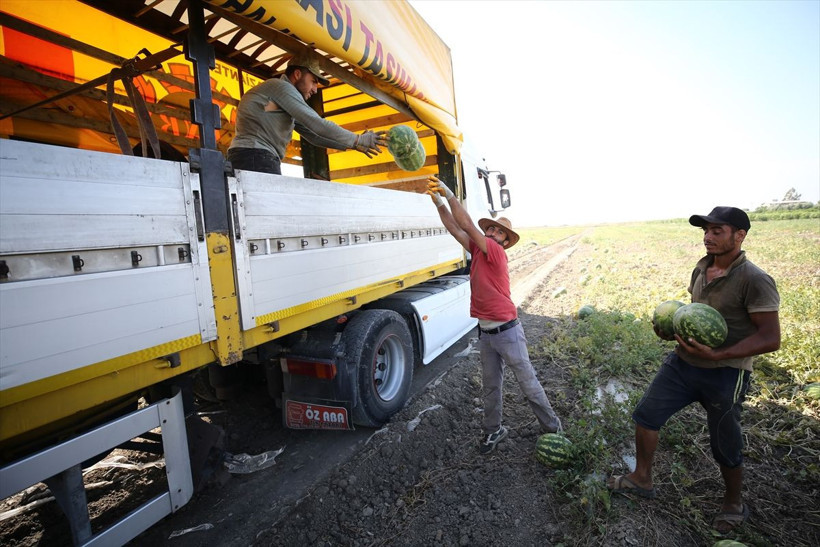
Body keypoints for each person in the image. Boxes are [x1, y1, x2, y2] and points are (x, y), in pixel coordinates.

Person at [606, 206, 780, 535]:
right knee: (646, 415)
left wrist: (719, 353)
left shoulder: (755, 280)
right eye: (706, 230)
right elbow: (693, 315)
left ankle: (733, 503)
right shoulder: (701, 269)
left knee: (724, 442)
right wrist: (670, 330)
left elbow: (771, 338)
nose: (707, 236)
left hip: (727, 372)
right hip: (683, 364)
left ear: (740, 236)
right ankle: (642, 477)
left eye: (718, 231)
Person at [426, 176, 562, 455]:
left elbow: (465, 224)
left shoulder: (496, 253)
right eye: (490, 230)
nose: (492, 233)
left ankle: (554, 429)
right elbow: (455, 228)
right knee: (490, 388)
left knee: (528, 383)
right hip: (486, 335)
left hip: (508, 332)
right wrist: (439, 203)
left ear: (504, 240)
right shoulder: (477, 250)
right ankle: (493, 432)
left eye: (498, 232)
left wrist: (450, 194)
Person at [227, 54, 386, 174]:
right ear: (297, 75)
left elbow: (313, 136)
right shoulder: (280, 87)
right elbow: (316, 124)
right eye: (313, 81)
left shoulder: (284, 100)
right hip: (254, 155)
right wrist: (357, 139)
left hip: (254, 156)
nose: (315, 90)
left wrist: (354, 144)